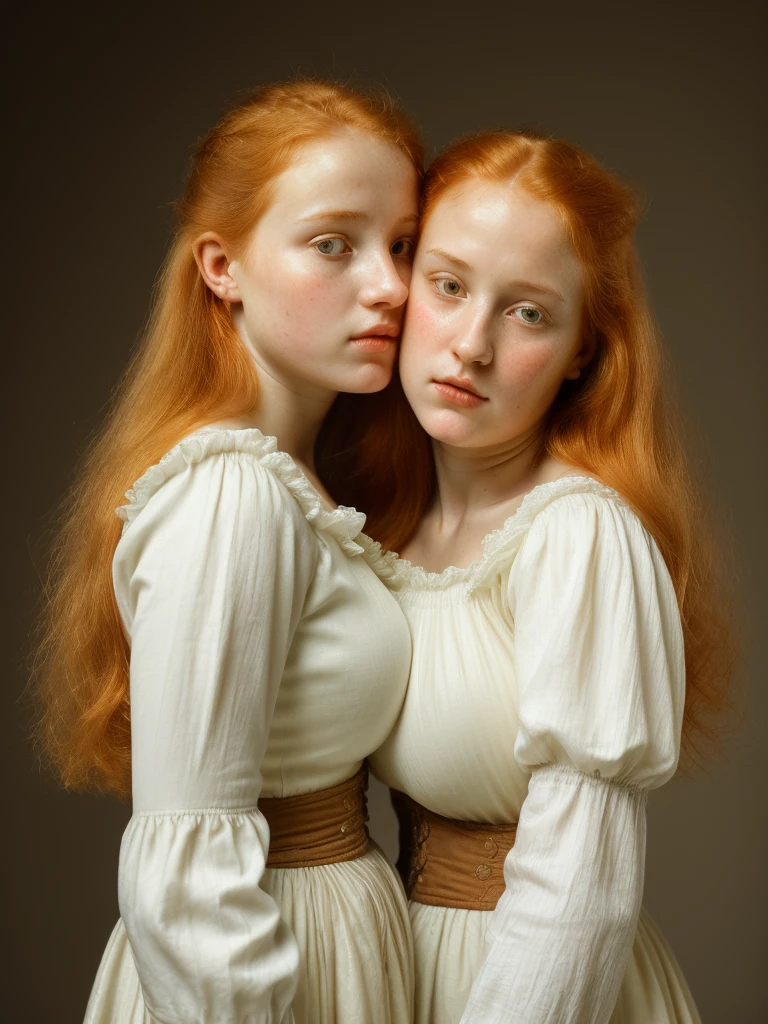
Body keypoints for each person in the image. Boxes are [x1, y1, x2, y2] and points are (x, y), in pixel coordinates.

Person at [33, 79, 423, 1024]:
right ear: (222, 267)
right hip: (264, 964)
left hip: (331, 943)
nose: (392, 286)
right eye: (335, 244)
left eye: (403, 245)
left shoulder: (296, 482)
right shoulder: (232, 494)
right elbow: (187, 885)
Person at [347, 130, 736, 1023]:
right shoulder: (390, 531)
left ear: (582, 354)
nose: (471, 345)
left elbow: (578, 892)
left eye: (528, 313)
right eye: (447, 286)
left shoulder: (580, 536)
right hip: (409, 973)